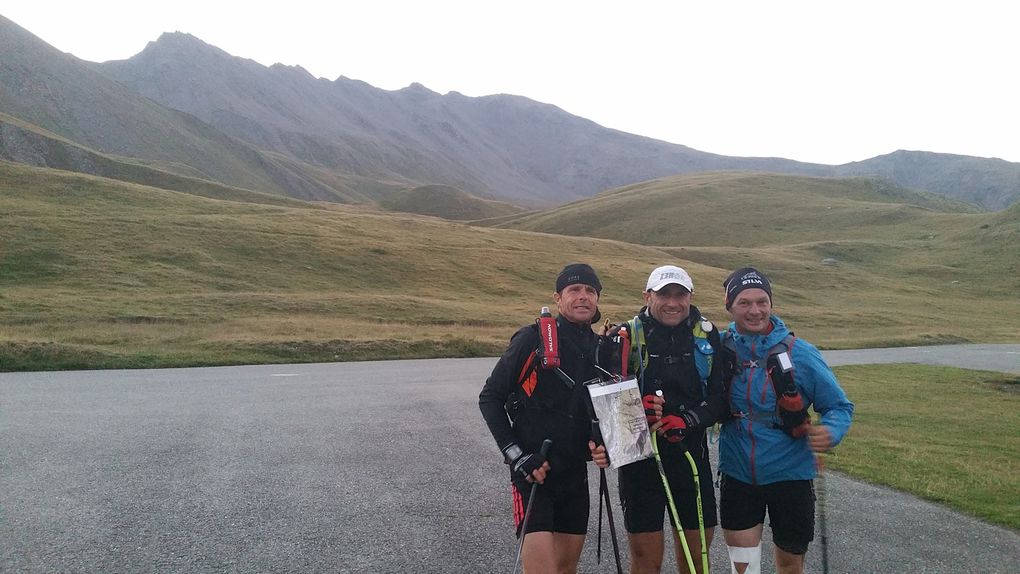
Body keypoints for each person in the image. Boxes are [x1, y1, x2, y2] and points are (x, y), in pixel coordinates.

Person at [717, 267, 854, 574]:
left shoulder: (801, 353)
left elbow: (839, 407)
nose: (755, 310)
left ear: (771, 303)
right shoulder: (719, 348)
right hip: (738, 473)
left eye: (762, 301)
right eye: (745, 302)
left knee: (790, 565)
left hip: (791, 474)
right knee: (744, 566)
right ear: (730, 306)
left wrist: (831, 431)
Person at [478, 263, 612, 573]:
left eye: (590, 291)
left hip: (574, 476)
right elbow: (490, 398)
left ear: (597, 299)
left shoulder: (600, 349)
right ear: (558, 297)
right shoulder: (532, 339)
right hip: (532, 473)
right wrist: (517, 456)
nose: (582, 297)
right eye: (574, 290)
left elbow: (603, 412)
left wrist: (604, 445)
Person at [617, 264, 727, 574]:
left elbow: (720, 399)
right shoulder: (626, 335)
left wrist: (688, 420)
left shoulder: (705, 334)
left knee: (696, 562)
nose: (673, 303)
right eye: (664, 294)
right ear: (647, 296)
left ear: (690, 297)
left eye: (681, 295)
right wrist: (639, 408)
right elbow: (609, 405)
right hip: (640, 462)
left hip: (691, 457)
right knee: (645, 562)